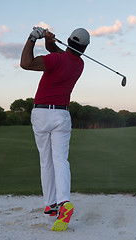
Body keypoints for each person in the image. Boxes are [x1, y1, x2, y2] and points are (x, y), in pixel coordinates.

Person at [20, 26, 90, 231]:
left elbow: (25, 63)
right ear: (84, 48)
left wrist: (33, 38)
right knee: (60, 160)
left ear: (68, 41)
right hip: (62, 115)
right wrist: (49, 41)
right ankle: (62, 203)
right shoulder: (79, 64)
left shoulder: (56, 60)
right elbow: (58, 52)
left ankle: (50, 204)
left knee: (46, 161)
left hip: (42, 114)